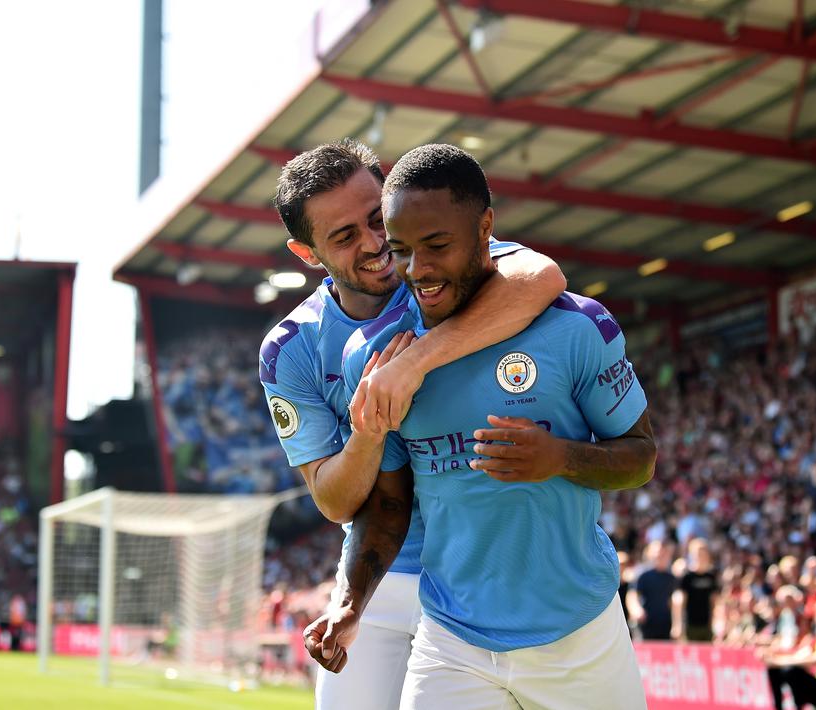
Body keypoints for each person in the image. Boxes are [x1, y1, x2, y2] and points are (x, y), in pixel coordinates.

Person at [313, 143, 656, 709]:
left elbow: (641, 457)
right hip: (452, 641)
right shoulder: (373, 361)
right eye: (401, 250)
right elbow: (390, 506)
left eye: (437, 246)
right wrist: (352, 602)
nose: (417, 270)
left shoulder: (576, 327)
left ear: (485, 228)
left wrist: (561, 458)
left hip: (579, 634)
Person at [259, 139, 565, 709]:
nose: (376, 244)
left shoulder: (440, 266)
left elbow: (542, 276)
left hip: (481, 573)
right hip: (378, 576)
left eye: (377, 218)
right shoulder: (290, 349)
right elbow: (334, 499)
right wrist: (369, 428)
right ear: (306, 253)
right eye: (344, 236)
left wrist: (415, 362)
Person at [630, 541, 676, 641]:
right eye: (657, 553)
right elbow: (632, 596)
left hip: (666, 624)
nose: (659, 555)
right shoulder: (642, 575)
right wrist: (636, 610)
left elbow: (674, 601)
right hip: (646, 623)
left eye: (663, 553)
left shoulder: (671, 577)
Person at [673, 538, 717, 642]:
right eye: (698, 553)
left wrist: (714, 623)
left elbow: (714, 601)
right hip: (689, 624)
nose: (701, 557)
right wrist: (677, 625)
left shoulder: (711, 576)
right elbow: (679, 601)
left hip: (706, 624)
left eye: (703, 553)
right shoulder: (687, 576)